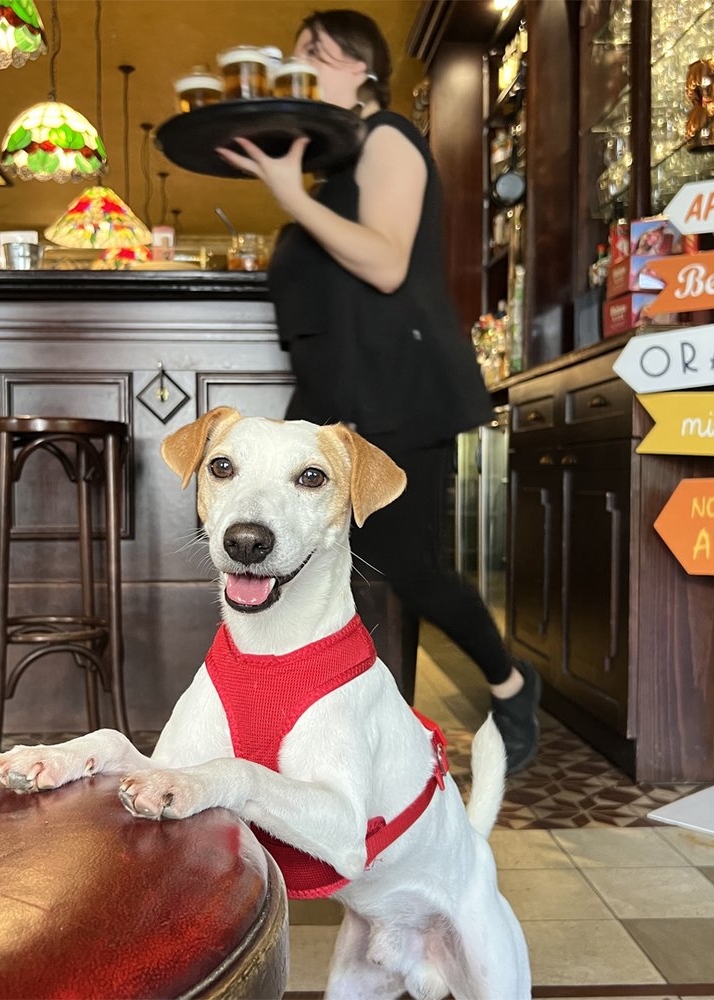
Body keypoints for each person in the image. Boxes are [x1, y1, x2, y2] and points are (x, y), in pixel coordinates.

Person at [216, 8, 541, 773]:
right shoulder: (333, 172)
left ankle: (511, 683)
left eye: (315, 57)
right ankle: (353, 720)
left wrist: (291, 198)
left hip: (398, 387)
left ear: (362, 68)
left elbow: (390, 265)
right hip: (336, 392)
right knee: (324, 560)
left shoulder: (388, 135)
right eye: (294, 59)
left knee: (405, 564)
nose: (300, 71)